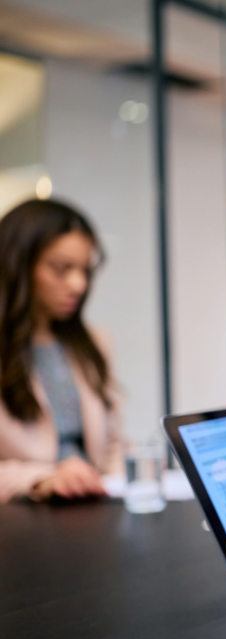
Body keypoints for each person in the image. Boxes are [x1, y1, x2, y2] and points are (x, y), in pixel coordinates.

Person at [0, 199, 121, 502]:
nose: (79, 284)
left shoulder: (93, 343)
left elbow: (112, 446)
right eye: (61, 268)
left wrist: (122, 488)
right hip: (22, 521)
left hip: (93, 510)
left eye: (85, 270)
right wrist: (41, 479)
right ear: (18, 264)